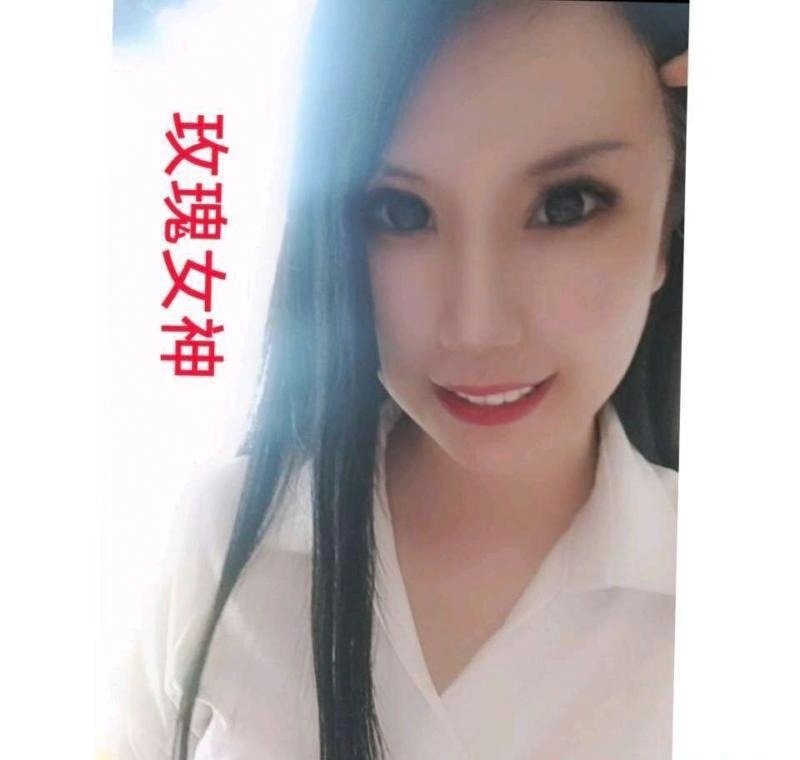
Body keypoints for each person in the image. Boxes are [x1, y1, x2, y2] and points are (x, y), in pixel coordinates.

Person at [112, 1, 689, 758]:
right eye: (400, 212)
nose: (475, 327)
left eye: (565, 205)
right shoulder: (227, 538)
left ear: (668, 223)